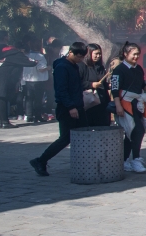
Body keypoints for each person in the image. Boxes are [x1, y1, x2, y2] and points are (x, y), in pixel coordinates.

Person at [28, 42, 89, 177]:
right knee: (65, 138)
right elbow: (61, 90)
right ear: (71, 53)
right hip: (67, 108)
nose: (80, 60)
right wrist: (71, 107)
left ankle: (84, 163)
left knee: (84, 134)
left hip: (77, 106)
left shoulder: (73, 66)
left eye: (82, 57)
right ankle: (40, 160)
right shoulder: (62, 67)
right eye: (78, 57)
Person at [110, 42, 146, 173]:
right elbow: (115, 89)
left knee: (131, 133)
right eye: (134, 54)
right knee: (136, 130)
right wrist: (118, 106)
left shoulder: (138, 69)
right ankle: (136, 159)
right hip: (125, 104)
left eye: (138, 54)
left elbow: (142, 84)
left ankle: (124, 159)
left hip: (137, 103)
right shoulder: (118, 70)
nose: (136, 57)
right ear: (125, 54)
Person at [0, 44, 34, 128]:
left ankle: (0, 122)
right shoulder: (15, 54)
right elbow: (29, 62)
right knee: (3, 99)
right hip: (2, 79)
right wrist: (36, 61)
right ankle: (5, 122)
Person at [81, 44, 111, 128]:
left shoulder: (100, 67)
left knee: (103, 125)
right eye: (96, 54)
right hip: (89, 102)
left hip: (102, 100)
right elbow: (78, 82)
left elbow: (103, 83)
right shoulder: (82, 66)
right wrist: (91, 84)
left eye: (99, 54)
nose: (98, 56)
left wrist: (108, 85)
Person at [21, 40, 50, 124]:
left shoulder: (26, 56)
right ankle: (37, 116)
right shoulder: (40, 56)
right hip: (38, 80)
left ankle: (29, 115)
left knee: (29, 99)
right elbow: (41, 69)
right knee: (38, 99)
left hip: (28, 80)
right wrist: (48, 68)